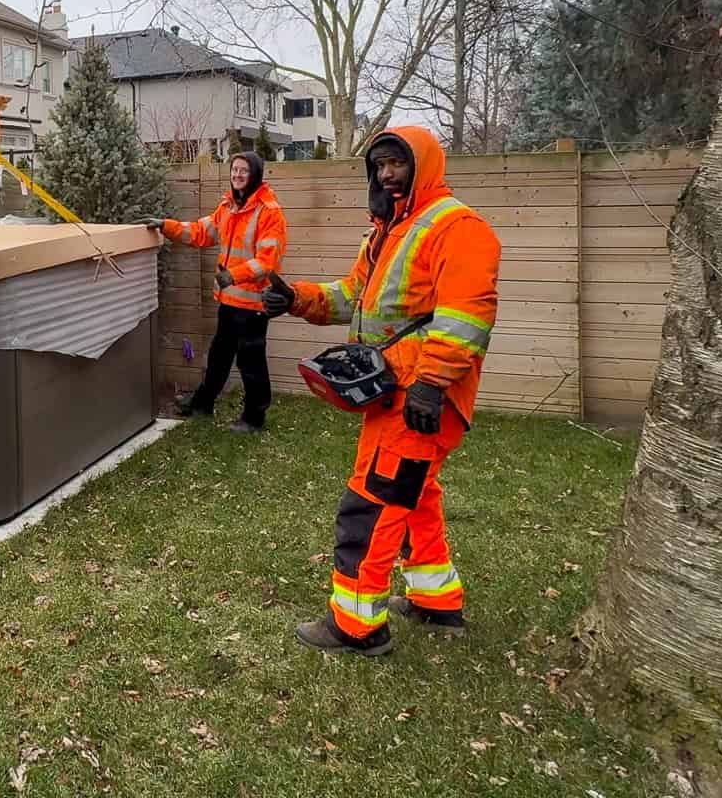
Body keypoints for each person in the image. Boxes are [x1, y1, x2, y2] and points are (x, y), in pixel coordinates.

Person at [263, 126, 501, 655]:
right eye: (379, 165)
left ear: (424, 166)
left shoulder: (457, 228)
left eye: (397, 163)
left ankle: (355, 625)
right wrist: (296, 297)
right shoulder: (388, 232)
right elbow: (353, 296)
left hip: (422, 398)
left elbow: (468, 317)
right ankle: (436, 600)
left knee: (372, 501)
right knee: (415, 496)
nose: (387, 174)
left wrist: (431, 384)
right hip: (396, 392)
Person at [145, 151, 287, 433]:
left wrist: (233, 275)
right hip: (230, 300)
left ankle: (254, 419)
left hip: (254, 305)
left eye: (243, 170)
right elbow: (200, 232)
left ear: (255, 174)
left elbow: (267, 260)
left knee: (251, 364)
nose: (237, 175)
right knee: (218, 357)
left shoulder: (269, 212)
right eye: (234, 170)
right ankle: (202, 404)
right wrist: (166, 226)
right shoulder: (228, 207)